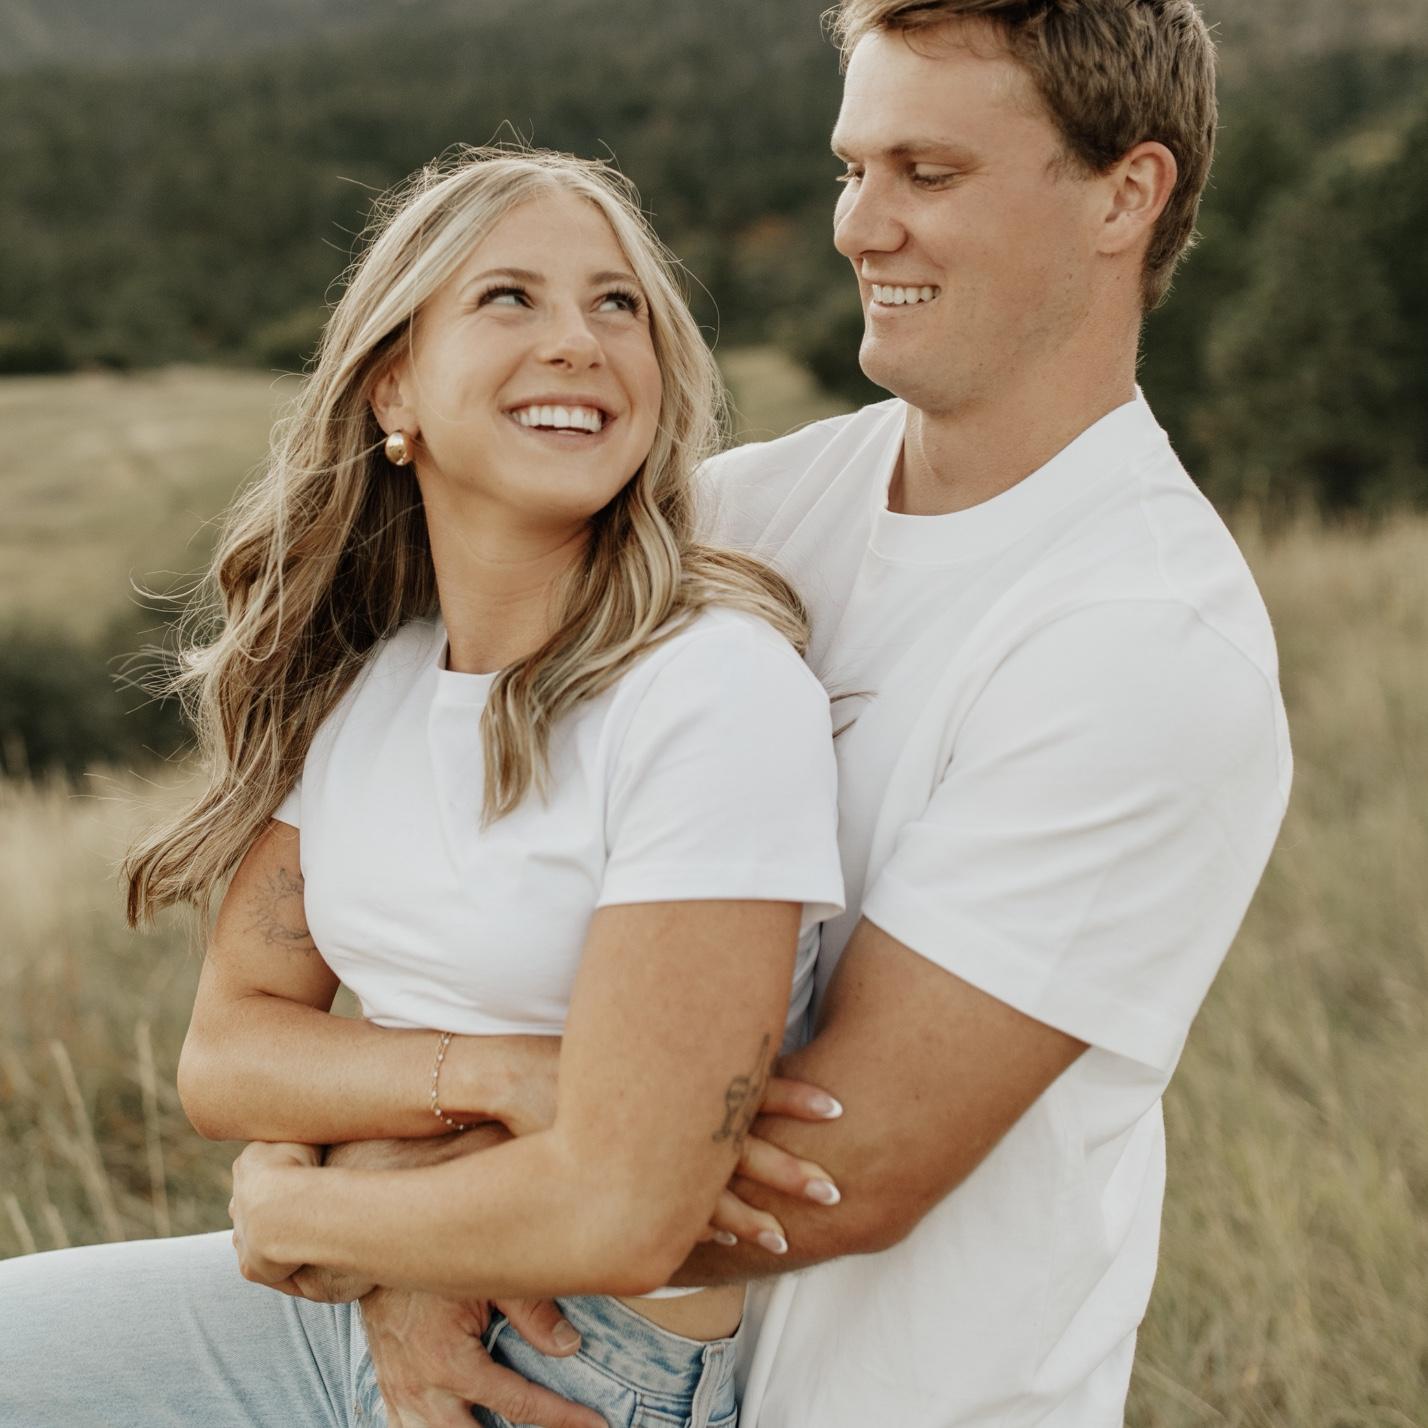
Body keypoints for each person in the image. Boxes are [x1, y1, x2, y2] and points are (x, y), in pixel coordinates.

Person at [262, 3, 1291, 1426]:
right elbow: (463, 926)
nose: (861, 226)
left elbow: (839, 1173)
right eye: (851, 169)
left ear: (1128, 195)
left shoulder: (1145, 643)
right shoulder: (744, 515)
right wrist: (418, 1193)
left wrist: (377, 1224)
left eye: (929, 174)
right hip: (557, 1355)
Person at [0, 148, 848, 1428]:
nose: (577, 341)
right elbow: (228, 1054)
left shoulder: (712, 689)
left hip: (574, 1363)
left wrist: (310, 1210)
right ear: (393, 384)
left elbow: (627, 1209)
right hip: (342, 1310)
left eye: (618, 304)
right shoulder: (373, 685)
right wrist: (498, 1079)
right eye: (510, 297)